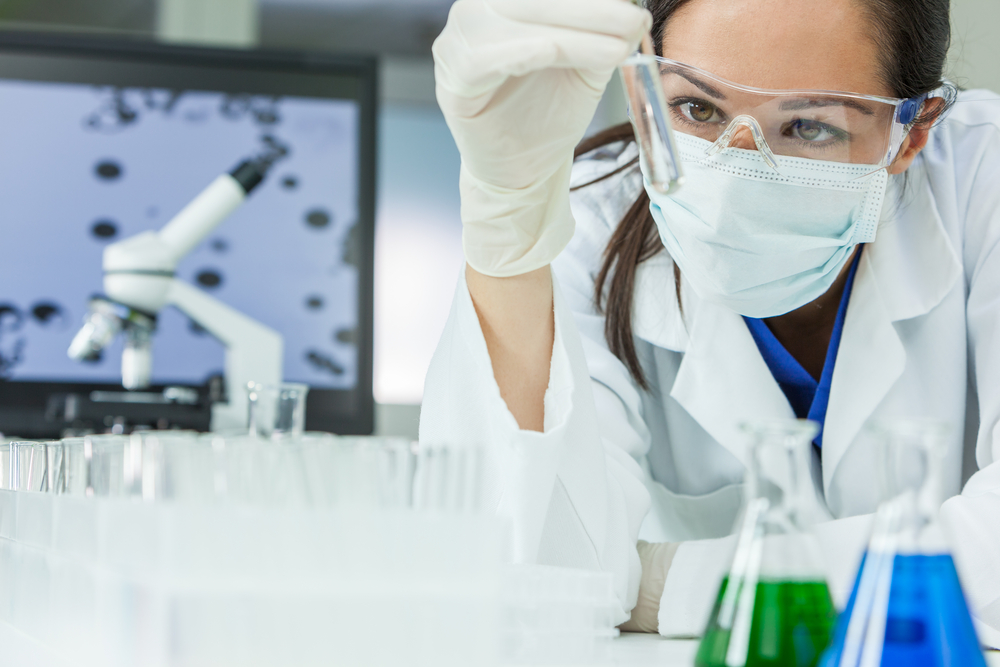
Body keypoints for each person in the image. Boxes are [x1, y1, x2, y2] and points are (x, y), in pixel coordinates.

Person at [422, 0, 1000, 637]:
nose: (735, 181)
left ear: (911, 133)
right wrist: (506, 230)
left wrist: (667, 583)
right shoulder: (581, 225)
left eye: (809, 125)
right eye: (696, 108)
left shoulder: (984, 177)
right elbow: (516, 580)